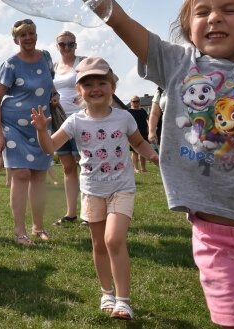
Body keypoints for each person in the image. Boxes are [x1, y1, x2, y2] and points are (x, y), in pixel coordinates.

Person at [28, 0, 234, 328]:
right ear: (188, 27)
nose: (215, 18)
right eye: (202, 11)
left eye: (230, 9)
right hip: (221, 239)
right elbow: (117, 18)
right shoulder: (176, 63)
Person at [31, 57, 159, 320]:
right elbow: (49, 147)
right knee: (99, 245)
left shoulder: (124, 118)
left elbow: (138, 144)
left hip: (121, 188)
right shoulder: (75, 121)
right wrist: (42, 131)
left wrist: (154, 156)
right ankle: (107, 293)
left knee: (114, 239)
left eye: (102, 82)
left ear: (112, 86)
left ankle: (123, 300)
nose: (96, 88)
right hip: (92, 191)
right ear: (79, 91)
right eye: (88, 84)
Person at [0, 19, 56, 246]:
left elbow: (49, 84)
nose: (28, 38)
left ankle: (38, 227)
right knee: (21, 175)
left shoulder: (46, 57)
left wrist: (54, 95)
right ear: (16, 39)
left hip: (40, 126)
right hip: (13, 126)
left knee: (39, 176)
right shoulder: (10, 65)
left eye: (32, 33)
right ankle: (20, 231)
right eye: (23, 35)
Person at [52, 31, 85, 225]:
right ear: (57, 46)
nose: (66, 47)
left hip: (81, 118)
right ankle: (71, 212)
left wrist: (84, 97)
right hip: (60, 120)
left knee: (86, 164)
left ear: (75, 45)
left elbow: (108, 78)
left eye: (70, 44)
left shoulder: (83, 62)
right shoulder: (54, 67)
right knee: (68, 167)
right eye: (62, 44)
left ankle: (90, 212)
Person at [127, 96, 150, 173]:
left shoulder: (143, 111)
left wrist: (150, 130)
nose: (136, 103)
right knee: (135, 151)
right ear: (131, 102)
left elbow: (148, 120)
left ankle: (143, 168)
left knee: (143, 151)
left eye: (137, 101)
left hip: (143, 133)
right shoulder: (128, 112)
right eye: (134, 101)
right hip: (133, 133)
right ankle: (136, 168)